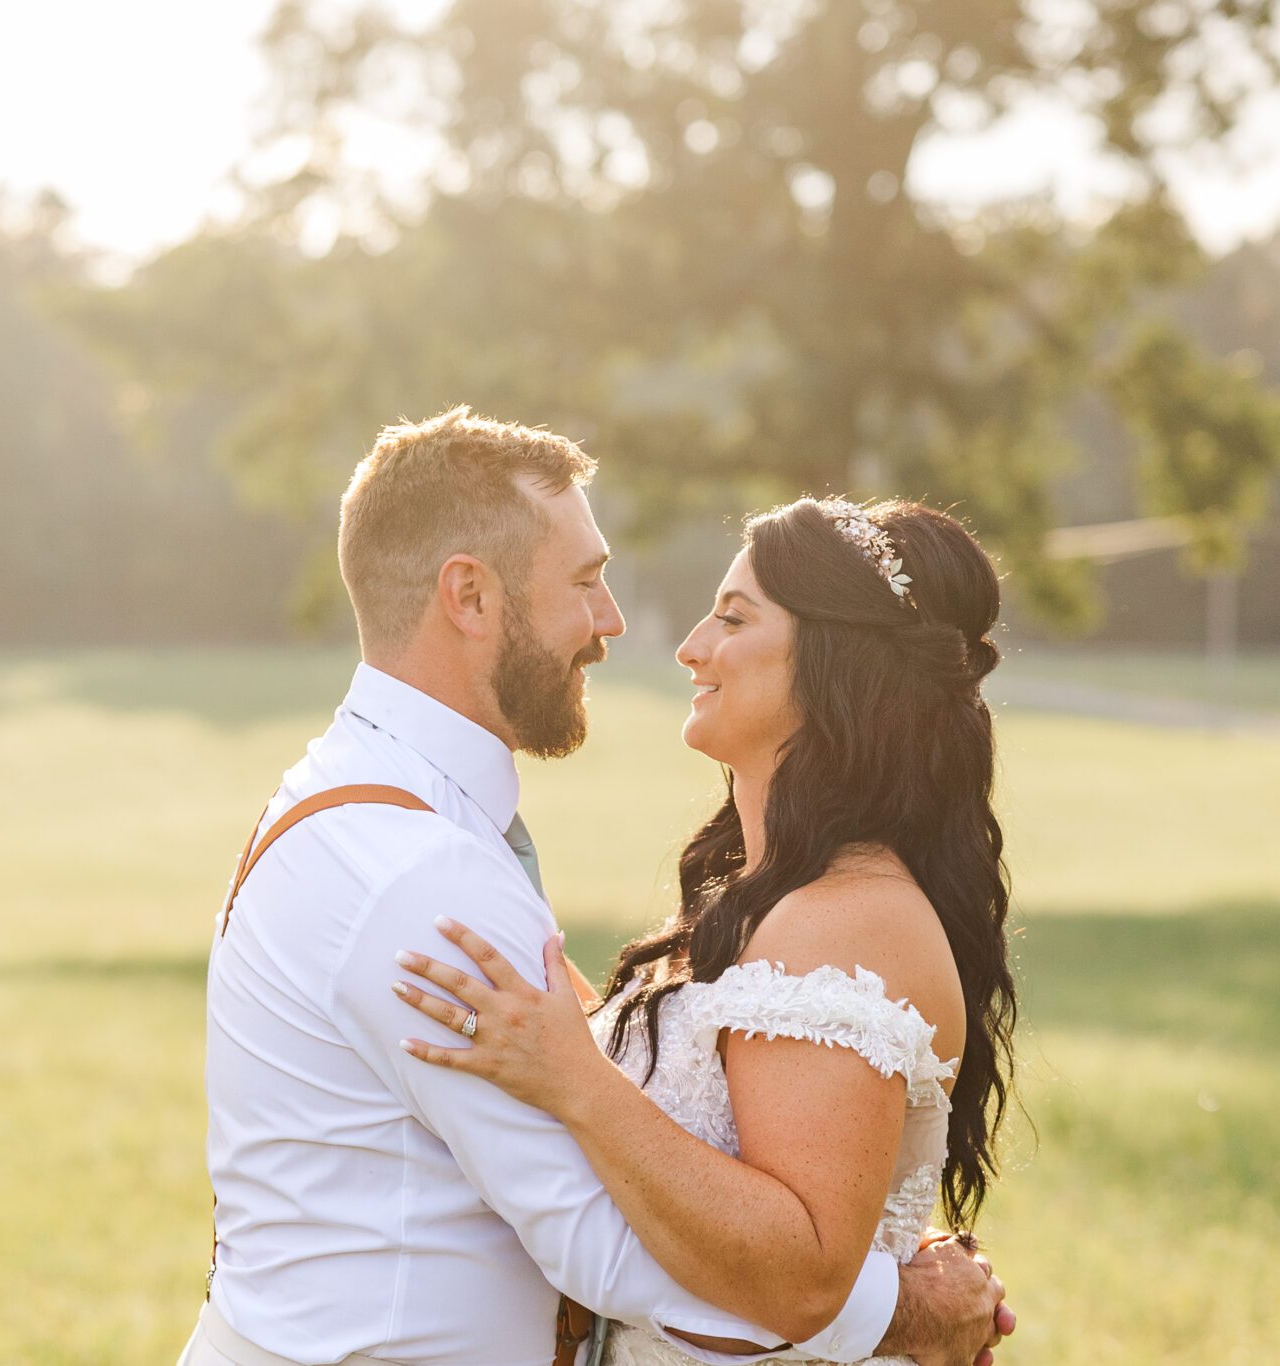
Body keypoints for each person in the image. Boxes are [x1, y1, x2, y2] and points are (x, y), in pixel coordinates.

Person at [180, 407, 1011, 1366]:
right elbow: (594, 1239)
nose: (624, 625)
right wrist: (901, 1312)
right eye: (585, 582)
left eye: (730, 617)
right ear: (470, 596)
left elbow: (607, 1099)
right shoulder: (418, 866)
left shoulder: (356, 802)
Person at [391, 495, 1019, 1365]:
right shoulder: (774, 902)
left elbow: (803, 1275)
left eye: (733, 617)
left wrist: (572, 1077)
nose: (692, 647)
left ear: (838, 661)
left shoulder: (848, 920)